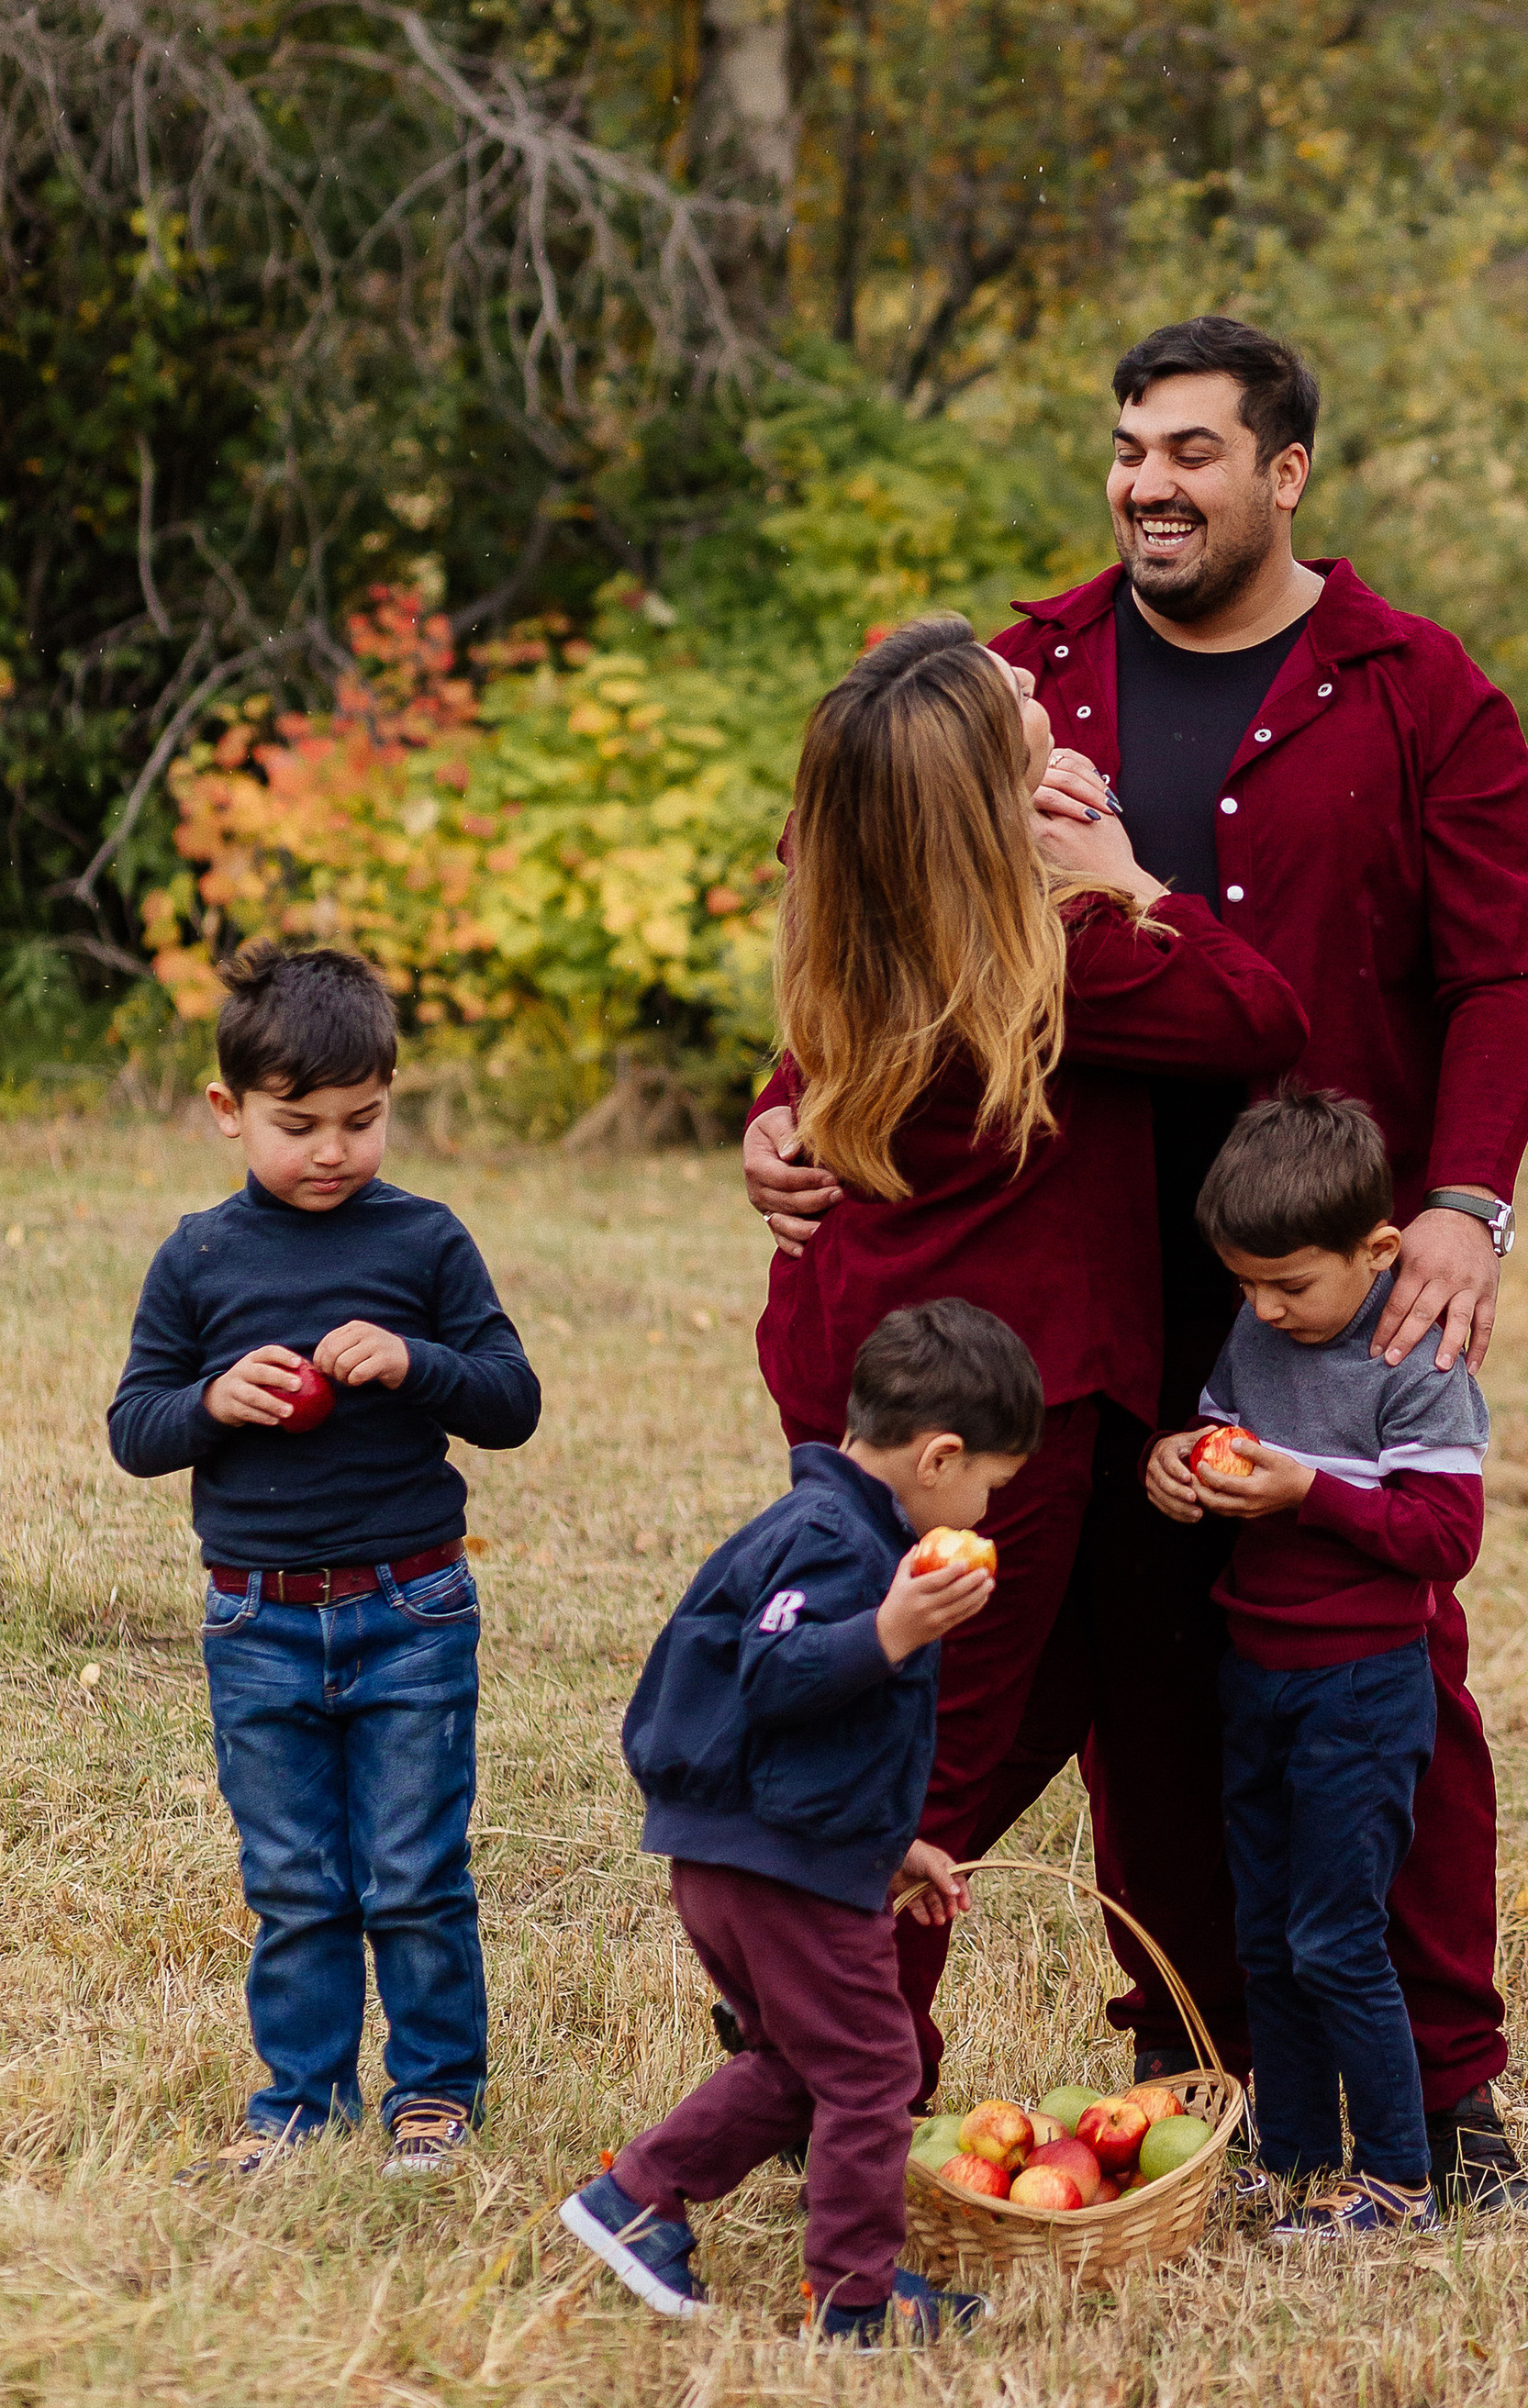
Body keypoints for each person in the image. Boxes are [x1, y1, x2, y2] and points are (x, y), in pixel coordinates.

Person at [745, 315, 1528, 2207]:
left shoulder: (1411, 690)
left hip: (1302, 1280)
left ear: (1285, 473)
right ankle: (1029, 2030)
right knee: (1053, 1679)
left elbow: (1507, 968)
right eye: (1127, 447)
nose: (1145, 483)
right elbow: (859, 882)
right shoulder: (1009, 670)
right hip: (1047, 1303)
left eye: (1190, 452)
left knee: (1366, 1676)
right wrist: (782, 1110)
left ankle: (1431, 2084)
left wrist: (1458, 1204)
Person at [750, 612, 1307, 2097]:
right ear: (988, 806)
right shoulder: (1060, 954)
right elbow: (1261, 1014)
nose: (1043, 690)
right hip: (1009, 1404)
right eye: (1020, 708)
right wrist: (1134, 883)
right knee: (945, 1729)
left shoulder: (863, 901)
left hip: (858, 1361)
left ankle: (808, 1959)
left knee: (1007, 1696)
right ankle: (840, 2052)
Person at [106, 942, 541, 2175]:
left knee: (412, 1868)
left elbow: (511, 1398)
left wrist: (417, 1364)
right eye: (298, 1124)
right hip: (257, 1620)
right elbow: (134, 1427)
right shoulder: (198, 1258)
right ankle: (301, 2104)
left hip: (412, 1603)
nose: (334, 1150)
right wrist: (210, 1401)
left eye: (363, 1120)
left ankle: (435, 2094)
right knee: (294, 1880)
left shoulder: (426, 1243)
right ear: (228, 1111)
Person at [560, 1299, 1035, 2342]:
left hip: (753, 1854)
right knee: (875, 2073)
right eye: (989, 1487)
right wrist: (888, 1631)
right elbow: (774, 1677)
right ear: (940, 1456)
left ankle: (633, 2200)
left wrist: (890, 1842)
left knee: (798, 2062)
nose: (986, 1513)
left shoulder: (838, 1533)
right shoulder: (836, 1543)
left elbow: (807, 1736)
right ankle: (856, 2300)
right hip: (779, 1871)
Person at [1146, 1091, 1488, 2239]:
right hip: (1260, 1668)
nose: (1263, 1308)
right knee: (1264, 1931)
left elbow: (1446, 1539)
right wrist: (1181, 1460)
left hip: (1361, 1684)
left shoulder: (1415, 1358)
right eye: (1245, 1284)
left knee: (1336, 1935)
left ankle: (1398, 2177)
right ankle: (1291, 2157)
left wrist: (1310, 1495)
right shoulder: (1261, 1330)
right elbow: (1219, 1428)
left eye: (1290, 1284)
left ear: (1377, 1252)